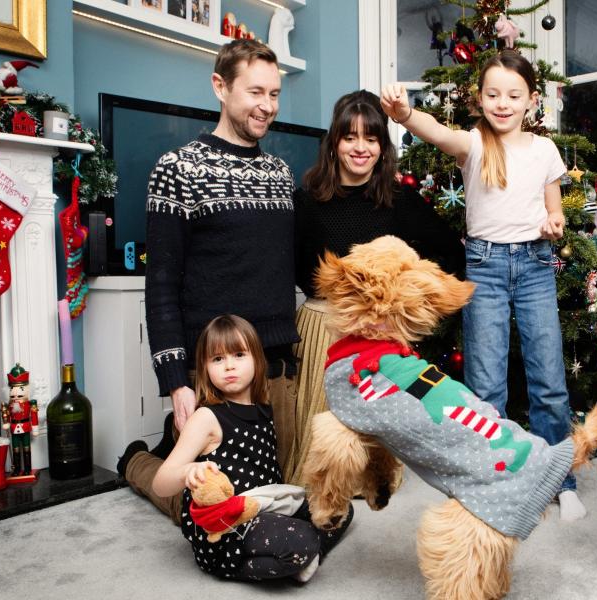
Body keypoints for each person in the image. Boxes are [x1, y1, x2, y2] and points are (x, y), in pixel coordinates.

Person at [380, 49, 586, 520]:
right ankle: (487, 478)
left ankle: (562, 478)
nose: (503, 103)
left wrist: (555, 221)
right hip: (486, 267)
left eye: (514, 95)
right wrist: (405, 114)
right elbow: (437, 131)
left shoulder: (544, 150)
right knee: (485, 385)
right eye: (493, 94)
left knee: (549, 380)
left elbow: (553, 204)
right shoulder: (473, 143)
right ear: (479, 99)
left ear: (531, 100)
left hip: (535, 266)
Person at [117, 39, 300, 526]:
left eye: (275, 94)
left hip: (275, 362)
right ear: (220, 86)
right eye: (256, 91)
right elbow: (161, 284)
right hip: (214, 366)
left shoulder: (280, 173)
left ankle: (166, 448)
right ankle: (138, 462)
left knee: (274, 494)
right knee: (210, 506)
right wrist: (177, 382)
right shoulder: (178, 169)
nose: (268, 106)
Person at [288, 89, 463, 483]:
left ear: (383, 148)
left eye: (371, 138)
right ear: (334, 144)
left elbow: (450, 254)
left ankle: (373, 479)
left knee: (372, 438)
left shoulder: (400, 200)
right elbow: (292, 269)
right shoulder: (307, 202)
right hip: (324, 327)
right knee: (324, 439)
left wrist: (407, 314)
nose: (360, 148)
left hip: (382, 338)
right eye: (350, 137)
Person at [152, 314, 351, 582]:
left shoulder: (263, 408)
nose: (229, 366)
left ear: (257, 360)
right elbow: (161, 484)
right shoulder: (207, 418)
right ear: (205, 368)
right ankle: (289, 554)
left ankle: (300, 553)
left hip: (268, 504)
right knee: (301, 540)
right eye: (217, 359)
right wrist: (189, 469)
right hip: (231, 524)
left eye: (238, 355)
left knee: (340, 507)